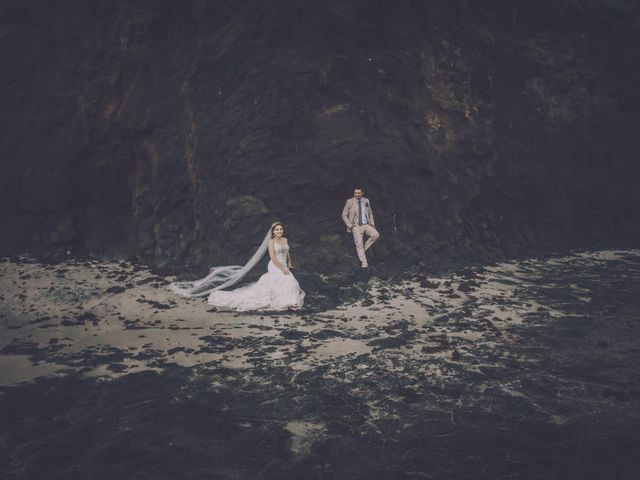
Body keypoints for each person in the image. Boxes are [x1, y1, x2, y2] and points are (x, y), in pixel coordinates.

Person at [170, 222, 305, 311]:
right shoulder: (271, 242)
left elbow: (287, 253)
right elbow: (273, 257)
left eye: (281, 229)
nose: (279, 231)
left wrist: (289, 263)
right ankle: (286, 303)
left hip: (284, 265)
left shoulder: (285, 240)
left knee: (291, 282)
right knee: (286, 280)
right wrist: (282, 268)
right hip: (275, 266)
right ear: (273, 232)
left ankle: (291, 302)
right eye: (277, 229)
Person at [341, 188, 380, 268]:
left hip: (366, 225)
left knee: (376, 235)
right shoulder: (349, 201)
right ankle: (364, 263)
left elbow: (370, 213)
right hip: (356, 226)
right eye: (355, 193)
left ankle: (363, 249)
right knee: (359, 245)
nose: (357, 195)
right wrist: (350, 225)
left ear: (362, 193)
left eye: (359, 193)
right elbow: (344, 215)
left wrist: (372, 224)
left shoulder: (366, 201)